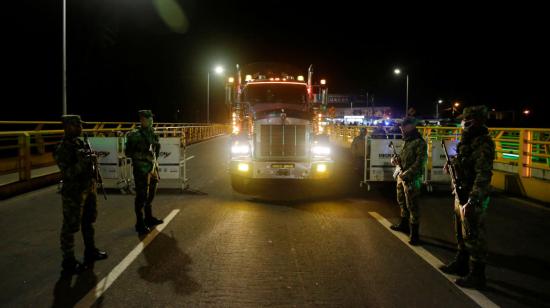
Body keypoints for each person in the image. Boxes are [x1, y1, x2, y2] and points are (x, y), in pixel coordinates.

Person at [440, 105, 494, 289]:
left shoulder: (482, 143)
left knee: (474, 235)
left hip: (472, 194)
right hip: (461, 191)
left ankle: (478, 276)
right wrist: (452, 165)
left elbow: (483, 174)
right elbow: (463, 160)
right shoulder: (468, 141)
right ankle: (461, 263)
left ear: (477, 121)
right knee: (460, 232)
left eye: (468, 120)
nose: (464, 123)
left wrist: (473, 199)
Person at [54, 115, 108, 274]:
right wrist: (83, 162)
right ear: (69, 126)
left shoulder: (81, 142)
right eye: (78, 125)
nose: (81, 128)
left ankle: (90, 251)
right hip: (74, 192)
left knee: (88, 220)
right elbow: (67, 172)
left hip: (88, 188)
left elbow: (87, 162)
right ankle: (68, 261)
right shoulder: (63, 148)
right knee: (70, 226)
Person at [389, 117, 427, 245]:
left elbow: (420, 163)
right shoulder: (407, 141)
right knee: (401, 201)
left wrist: (407, 174)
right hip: (402, 175)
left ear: (411, 126)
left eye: (403, 126)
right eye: (401, 127)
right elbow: (405, 158)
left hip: (411, 178)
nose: (401, 129)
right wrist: (396, 159)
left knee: (413, 206)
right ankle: (404, 224)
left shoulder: (419, 142)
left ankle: (415, 235)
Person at [125, 110, 163, 235]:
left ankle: (148, 217)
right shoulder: (135, 135)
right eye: (148, 118)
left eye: (151, 118)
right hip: (141, 169)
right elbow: (128, 152)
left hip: (152, 168)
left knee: (151, 192)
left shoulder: (152, 133)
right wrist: (144, 156)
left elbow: (156, 148)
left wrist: (154, 159)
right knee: (141, 196)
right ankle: (139, 222)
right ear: (142, 119)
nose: (151, 120)